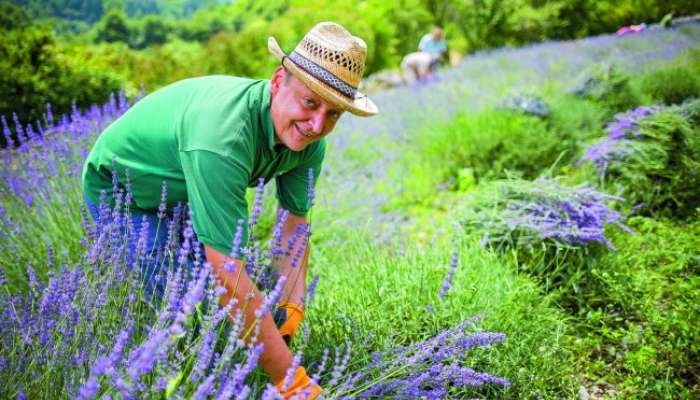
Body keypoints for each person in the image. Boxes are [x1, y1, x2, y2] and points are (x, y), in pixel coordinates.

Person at [81, 21, 377, 399]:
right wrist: (292, 383)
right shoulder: (223, 139)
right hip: (122, 190)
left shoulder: (309, 138)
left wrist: (290, 304)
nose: (318, 124)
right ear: (277, 82)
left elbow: (294, 225)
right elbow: (229, 270)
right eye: (310, 102)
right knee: (196, 310)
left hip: (181, 188)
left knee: (246, 309)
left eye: (334, 113)